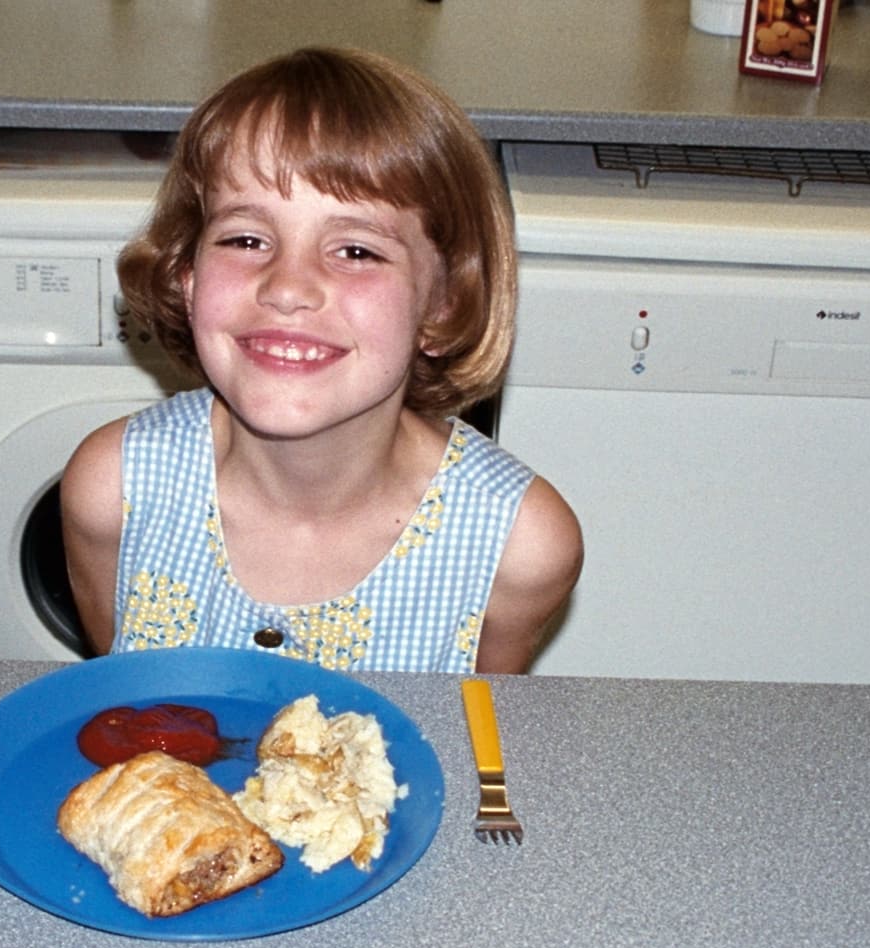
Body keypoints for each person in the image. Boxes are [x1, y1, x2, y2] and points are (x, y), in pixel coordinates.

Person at [61, 47, 582, 673]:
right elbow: (119, 688)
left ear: (443, 305)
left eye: (357, 251)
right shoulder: (111, 489)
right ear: (187, 276)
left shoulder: (517, 543)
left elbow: (478, 738)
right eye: (245, 239)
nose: (287, 287)